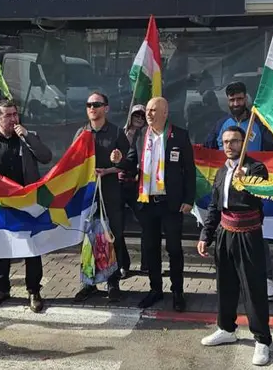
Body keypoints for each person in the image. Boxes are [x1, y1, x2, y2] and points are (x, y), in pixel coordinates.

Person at [198, 126, 271, 366]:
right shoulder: (221, 172)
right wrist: (205, 236)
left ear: (244, 142)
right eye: (225, 142)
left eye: (234, 141)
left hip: (248, 236)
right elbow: (214, 206)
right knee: (225, 284)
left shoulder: (256, 168)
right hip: (225, 233)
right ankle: (226, 329)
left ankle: (262, 340)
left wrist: (245, 182)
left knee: (253, 288)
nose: (229, 146)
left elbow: (259, 195)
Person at [0, 99, 53, 313]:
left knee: (31, 247)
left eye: (15, 114)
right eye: (8, 115)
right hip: (0, 204)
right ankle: (1, 289)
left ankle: (33, 290)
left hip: (27, 202)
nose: (13, 119)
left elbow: (46, 157)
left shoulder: (29, 137)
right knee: (0, 247)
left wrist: (27, 136)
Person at [203, 81, 273, 303]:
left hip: (252, 186)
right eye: (232, 100)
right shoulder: (221, 124)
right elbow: (207, 149)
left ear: (246, 99)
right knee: (226, 238)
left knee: (259, 237)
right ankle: (231, 281)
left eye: (239, 99)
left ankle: (266, 278)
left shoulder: (259, 124)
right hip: (227, 184)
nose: (236, 103)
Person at [72, 92, 137, 303]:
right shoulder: (82, 133)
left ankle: (113, 282)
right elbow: (71, 162)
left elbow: (130, 162)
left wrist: (113, 166)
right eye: (89, 104)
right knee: (88, 238)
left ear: (106, 108)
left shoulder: (117, 132)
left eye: (97, 104)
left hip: (110, 193)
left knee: (112, 237)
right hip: (87, 195)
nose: (92, 108)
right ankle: (88, 283)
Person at [135, 97, 195, 311]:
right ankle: (155, 289)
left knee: (174, 249)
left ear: (165, 113)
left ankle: (177, 291)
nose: (149, 114)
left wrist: (189, 199)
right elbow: (132, 160)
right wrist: (118, 160)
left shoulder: (179, 135)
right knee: (150, 248)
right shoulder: (141, 135)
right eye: (147, 110)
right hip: (147, 202)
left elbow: (189, 170)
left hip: (171, 203)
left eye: (153, 110)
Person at [120, 104, 147, 275]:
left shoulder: (146, 136)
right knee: (117, 226)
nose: (139, 118)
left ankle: (147, 264)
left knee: (147, 224)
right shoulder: (120, 134)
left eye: (142, 116)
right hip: (119, 185)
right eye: (136, 115)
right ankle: (123, 264)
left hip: (138, 186)